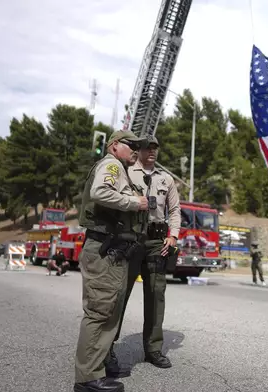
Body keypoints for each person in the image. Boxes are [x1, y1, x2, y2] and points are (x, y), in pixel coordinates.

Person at [73, 130, 148, 392]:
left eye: (139, 147)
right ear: (115, 145)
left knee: (109, 311)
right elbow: (100, 192)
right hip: (105, 250)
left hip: (114, 251)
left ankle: (98, 368)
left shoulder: (120, 168)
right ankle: (87, 378)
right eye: (131, 145)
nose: (136, 151)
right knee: (99, 312)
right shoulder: (111, 164)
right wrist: (134, 202)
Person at [114, 134, 181, 370]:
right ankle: (108, 348)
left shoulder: (167, 179)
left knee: (156, 295)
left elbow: (174, 210)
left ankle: (153, 349)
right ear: (138, 150)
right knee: (121, 292)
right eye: (146, 147)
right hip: (131, 239)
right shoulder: (126, 171)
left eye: (155, 147)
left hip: (156, 241)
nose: (151, 151)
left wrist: (172, 236)